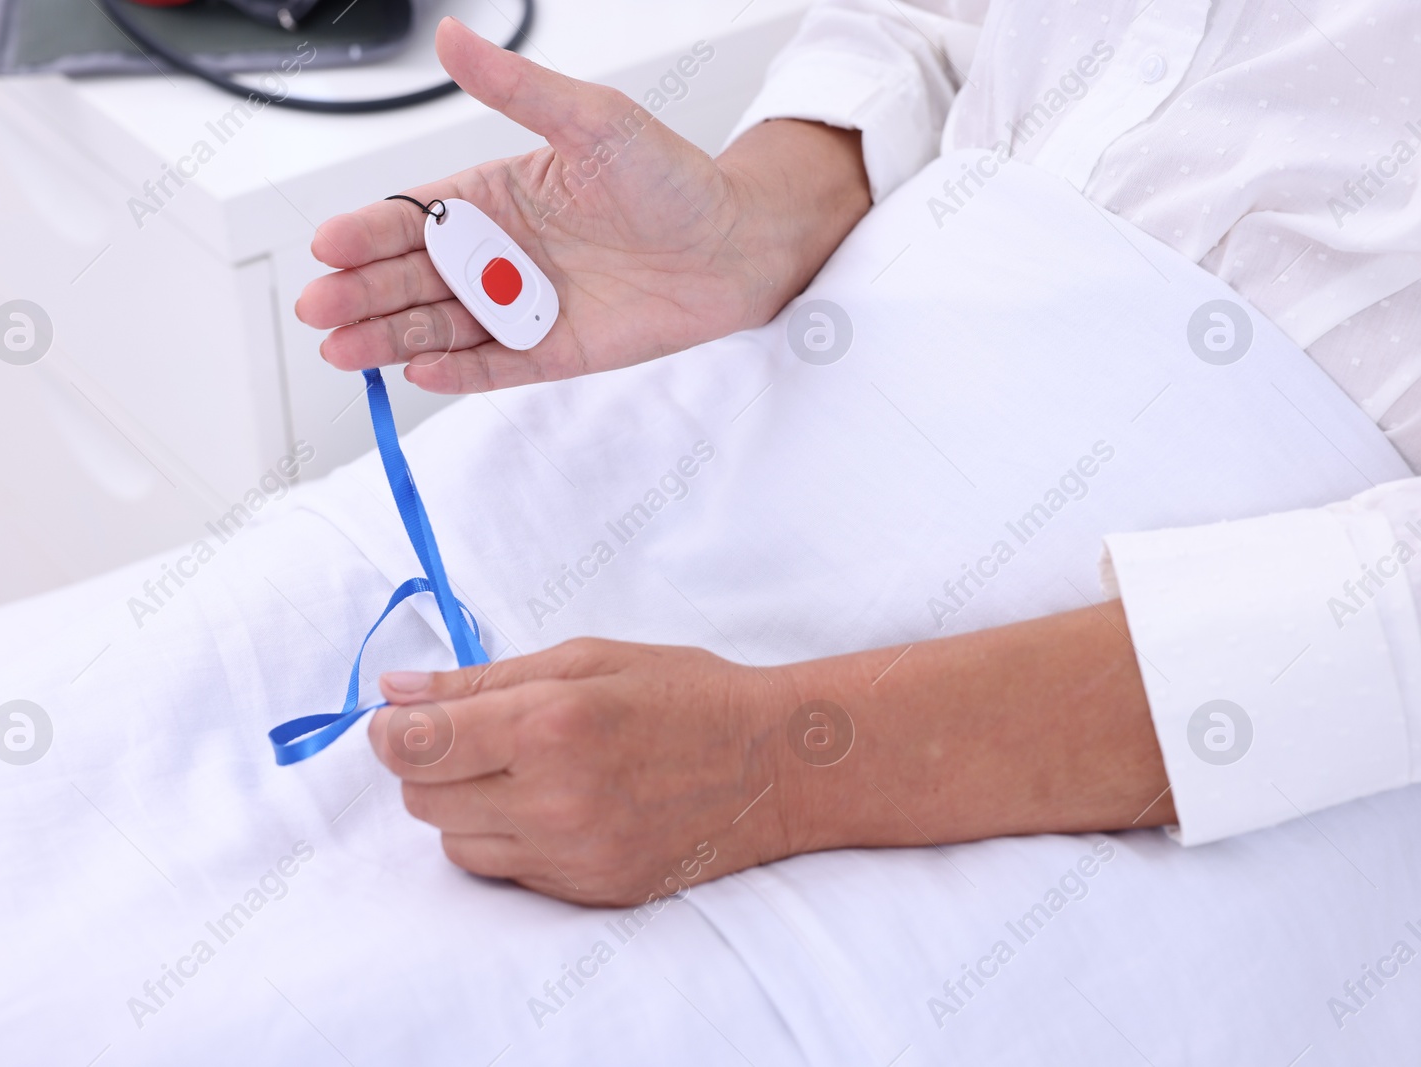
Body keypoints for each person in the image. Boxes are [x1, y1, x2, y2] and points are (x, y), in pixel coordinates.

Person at [293, 3, 1421, 906]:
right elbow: (942, 24)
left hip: (1181, 714)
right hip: (780, 376)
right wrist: (751, 217)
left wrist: (776, 768)